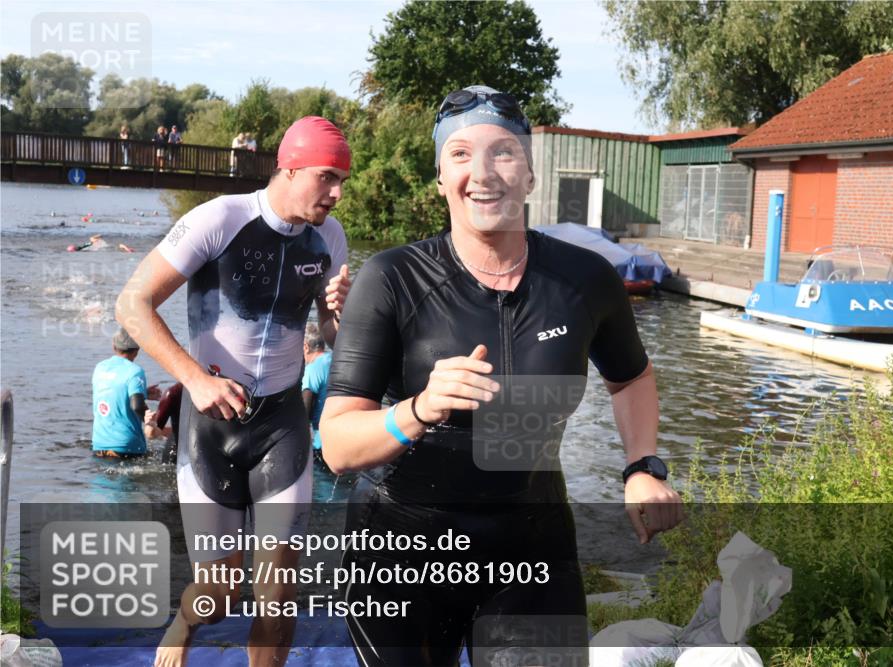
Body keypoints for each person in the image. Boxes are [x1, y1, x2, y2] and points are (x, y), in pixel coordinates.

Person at [320, 85, 683, 666]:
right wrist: (418, 409)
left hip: (531, 542)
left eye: (504, 152)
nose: (482, 172)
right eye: (460, 154)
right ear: (440, 177)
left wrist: (641, 466)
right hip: (402, 545)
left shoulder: (585, 280)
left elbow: (631, 378)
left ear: (531, 175)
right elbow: (336, 445)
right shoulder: (392, 279)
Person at [116, 115, 353, 667]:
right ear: (289, 168)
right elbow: (132, 304)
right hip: (211, 425)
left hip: (282, 425)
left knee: (278, 592)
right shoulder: (220, 219)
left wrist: (336, 309)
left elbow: (334, 338)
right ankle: (184, 621)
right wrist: (194, 378)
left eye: (343, 180)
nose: (338, 193)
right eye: (327, 177)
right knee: (217, 597)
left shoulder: (331, 239)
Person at [91, 328, 161, 458]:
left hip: (99, 445)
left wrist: (143, 392)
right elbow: (137, 406)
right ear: (136, 351)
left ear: (114, 346)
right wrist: (148, 421)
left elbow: (111, 392)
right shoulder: (135, 371)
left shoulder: (100, 368)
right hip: (127, 446)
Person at [300, 322, 332, 460]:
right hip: (344, 436)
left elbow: (305, 411)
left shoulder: (312, 369)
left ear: (306, 347)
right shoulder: (335, 358)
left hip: (322, 444)